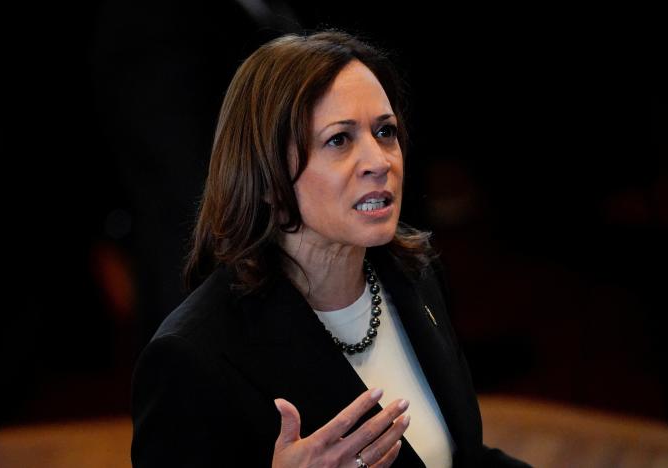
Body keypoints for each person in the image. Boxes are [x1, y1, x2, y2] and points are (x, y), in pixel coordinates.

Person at [130, 30, 530, 467]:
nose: (380, 161)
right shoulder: (190, 359)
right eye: (339, 139)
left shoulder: (416, 274)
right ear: (266, 176)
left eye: (385, 131)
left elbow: (464, 458)